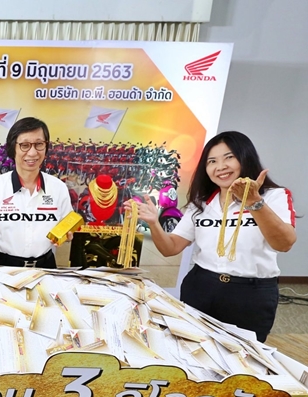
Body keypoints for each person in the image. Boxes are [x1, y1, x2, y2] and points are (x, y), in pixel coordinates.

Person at [125, 131, 296, 342]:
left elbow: (284, 244)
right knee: (192, 348)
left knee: (243, 354)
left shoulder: (273, 196)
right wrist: (153, 223)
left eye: (229, 157)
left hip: (250, 294)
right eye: (212, 161)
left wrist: (253, 202)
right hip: (201, 286)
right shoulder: (201, 203)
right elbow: (170, 248)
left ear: (245, 158)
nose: (220, 166)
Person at [0, 117, 73, 267]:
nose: (32, 153)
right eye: (25, 145)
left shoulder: (58, 188)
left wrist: (67, 234)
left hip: (45, 267)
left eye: (39, 144)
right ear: (12, 148)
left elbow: (68, 227)